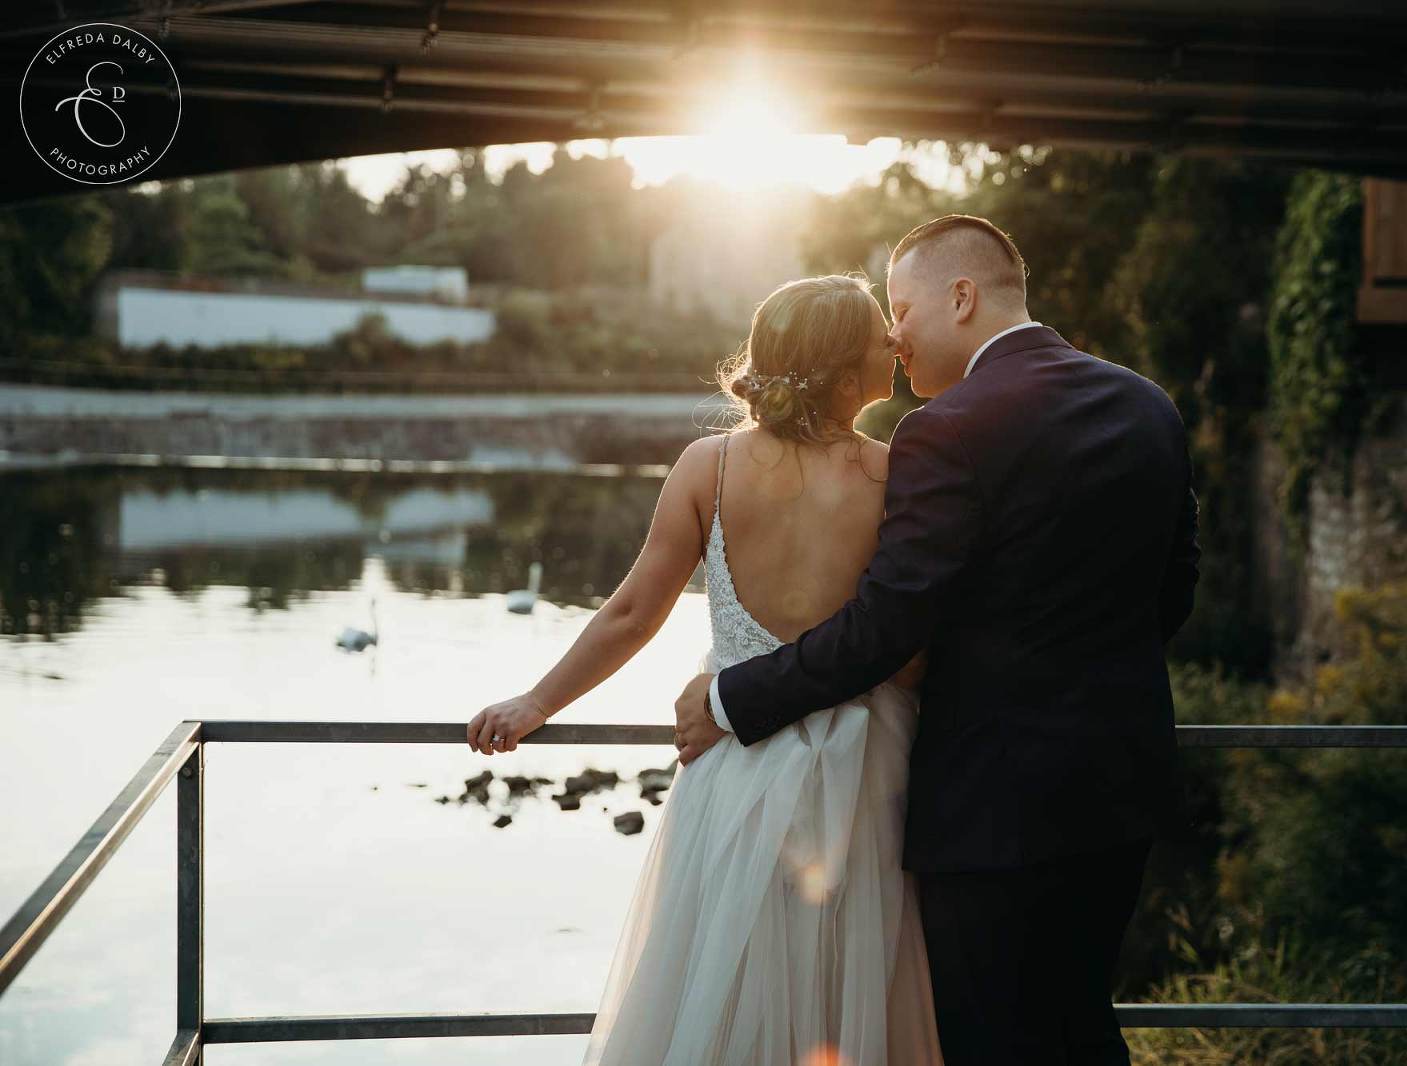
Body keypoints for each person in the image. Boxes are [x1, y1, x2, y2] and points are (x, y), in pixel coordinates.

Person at [674, 214, 1201, 1065]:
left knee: (987, 1038)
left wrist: (735, 698)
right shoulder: (1147, 405)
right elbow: (1172, 590)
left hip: (989, 802)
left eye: (902, 310)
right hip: (1119, 782)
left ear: (962, 297)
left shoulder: (947, 429)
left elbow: (889, 622)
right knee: (1080, 1024)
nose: (893, 336)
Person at [467, 273, 945, 1065]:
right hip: (867, 773)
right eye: (875, 336)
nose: (893, 345)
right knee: (850, 985)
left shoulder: (709, 466)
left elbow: (631, 614)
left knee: (717, 977)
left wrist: (535, 701)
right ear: (838, 365)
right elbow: (904, 650)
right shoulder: (892, 475)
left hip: (734, 764)